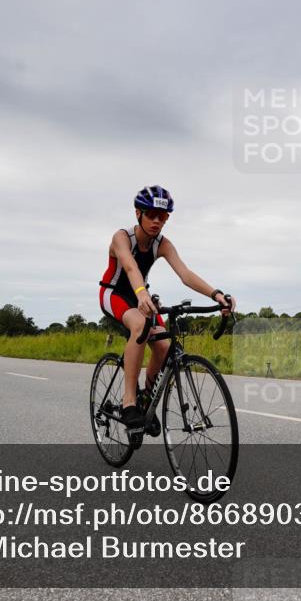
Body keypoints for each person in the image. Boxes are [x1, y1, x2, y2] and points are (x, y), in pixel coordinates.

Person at [99, 185, 235, 448]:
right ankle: (129, 402)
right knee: (139, 324)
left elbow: (185, 274)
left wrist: (216, 294)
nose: (157, 222)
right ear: (138, 213)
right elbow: (129, 266)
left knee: (163, 344)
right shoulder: (122, 237)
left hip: (142, 296)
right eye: (152, 215)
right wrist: (140, 293)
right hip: (115, 293)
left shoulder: (163, 244)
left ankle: (145, 402)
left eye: (163, 217)